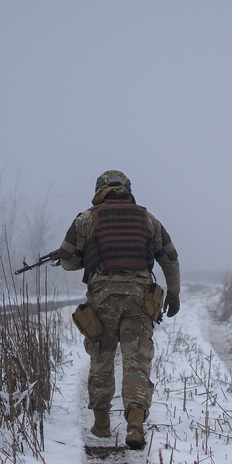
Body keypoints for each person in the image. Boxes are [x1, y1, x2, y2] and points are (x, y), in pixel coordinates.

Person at [55, 170, 180, 449]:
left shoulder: (86, 219)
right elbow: (170, 258)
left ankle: (101, 425)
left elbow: (67, 259)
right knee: (137, 359)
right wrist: (174, 294)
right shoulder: (148, 220)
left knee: (102, 357)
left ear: (99, 190)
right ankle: (135, 423)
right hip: (140, 298)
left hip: (103, 299)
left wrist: (86, 257)